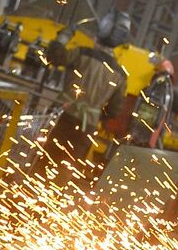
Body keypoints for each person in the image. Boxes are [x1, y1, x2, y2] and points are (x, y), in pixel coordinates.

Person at [40, 11, 131, 171]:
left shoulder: (82, 53)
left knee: (45, 164)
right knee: (68, 171)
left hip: (65, 115)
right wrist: (97, 115)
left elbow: (54, 56)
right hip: (87, 127)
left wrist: (65, 35)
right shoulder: (120, 75)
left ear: (100, 33)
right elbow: (115, 110)